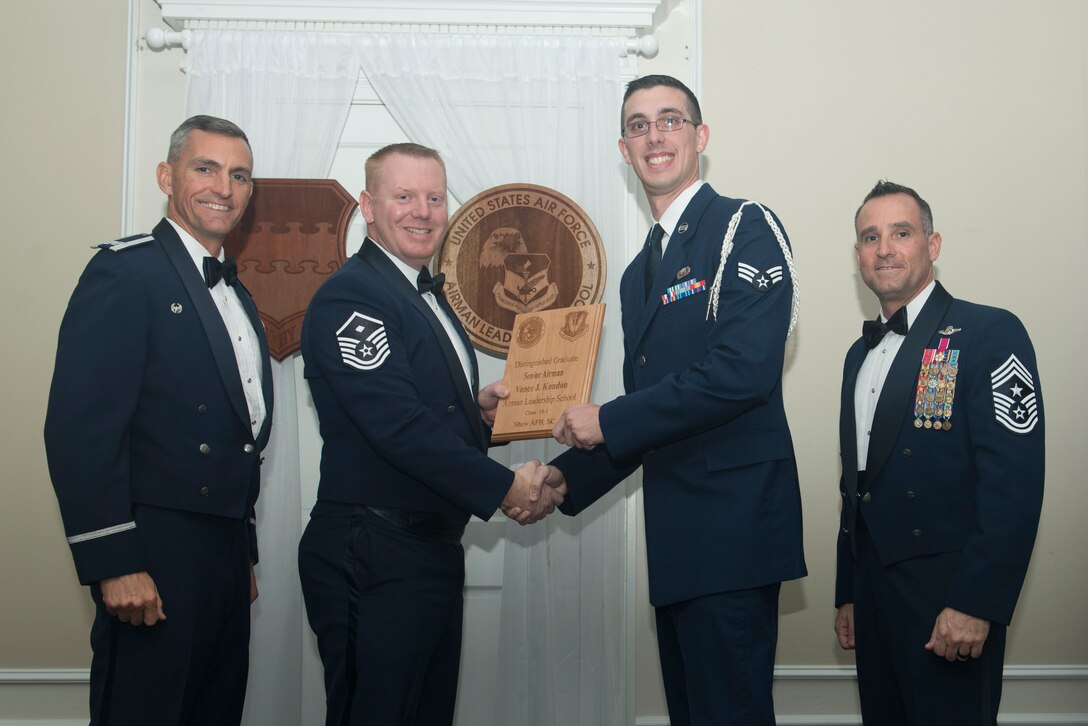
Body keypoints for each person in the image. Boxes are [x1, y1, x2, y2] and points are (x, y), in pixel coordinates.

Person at [536, 74, 806, 726]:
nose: (654, 135)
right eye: (638, 125)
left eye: (670, 120)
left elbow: (743, 372)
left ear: (700, 137)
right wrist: (558, 481)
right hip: (679, 539)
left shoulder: (744, 226)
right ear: (624, 150)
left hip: (734, 533)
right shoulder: (637, 276)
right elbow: (652, 415)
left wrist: (608, 418)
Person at [298, 142, 564, 726]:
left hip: (424, 548)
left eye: (435, 197)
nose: (423, 211)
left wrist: (479, 415)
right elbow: (396, 425)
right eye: (404, 196)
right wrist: (504, 487)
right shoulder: (354, 295)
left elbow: (419, 410)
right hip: (375, 547)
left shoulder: (417, 290)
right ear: (368, 206)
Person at [44, 115, 273, 725]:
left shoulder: (236, 293)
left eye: (240, 174)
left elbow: (240, 436)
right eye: (206, 168)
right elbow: (80, 429)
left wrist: (241, 552)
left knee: (213, 712)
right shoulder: (126, 271)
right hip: (153, 549)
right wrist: (114, 561)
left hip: (222, 554)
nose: (224, 186)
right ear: (166, 177)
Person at [834, 180, 1044, 724]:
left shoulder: (989, 332)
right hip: (873, 596)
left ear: (933, 244)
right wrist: (847, 591)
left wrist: (977, 602)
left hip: (949, 601)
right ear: (857, 254)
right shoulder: (858, 356)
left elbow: (1012, 486)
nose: (885, 248)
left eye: (901, 233)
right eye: (870, 236)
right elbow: (854, 487)